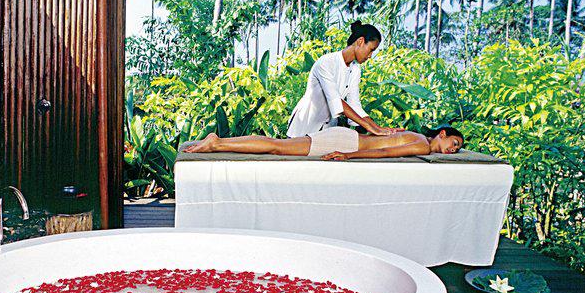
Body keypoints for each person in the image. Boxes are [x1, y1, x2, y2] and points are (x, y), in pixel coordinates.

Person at [286, 21, 403, 138]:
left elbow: (355, 105)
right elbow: (336, 101)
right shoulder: (326, 62)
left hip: (326, 131)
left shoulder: (355, 69)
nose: (370, 56)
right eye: (371, 49)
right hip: (303, 127)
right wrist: (369, 127)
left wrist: (377, 128)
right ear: (360, 41)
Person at [183, 126, 465, 161]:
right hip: (346, 141)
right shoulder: (422, 145)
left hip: (347, 136)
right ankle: (217, 144)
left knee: (277, 144)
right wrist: (348, 156)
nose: (453, 149)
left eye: (456, 149)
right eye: (453, 142)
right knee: (276, 147)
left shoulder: (414, 134)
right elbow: (386, 151)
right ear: (441, 133)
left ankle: (220, 141)